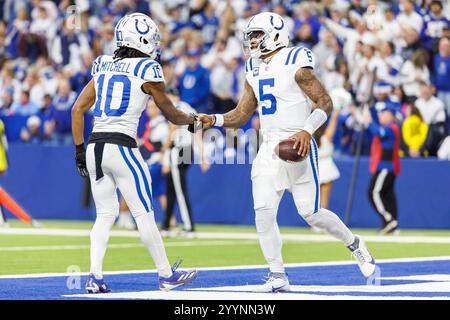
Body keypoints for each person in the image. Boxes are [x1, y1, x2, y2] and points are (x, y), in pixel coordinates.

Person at [198, 12, 376, 293]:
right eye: (251, 36)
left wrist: (306, 130)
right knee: (263, 212)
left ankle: (355, 245)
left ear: (275, 34)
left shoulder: (296, 60)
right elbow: (243, 113)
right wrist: (215, 120)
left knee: (311, 213)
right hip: (269, 146)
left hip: (297, 143)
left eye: (257, 35)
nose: (253, 41)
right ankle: (277, 274)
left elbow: (324, 102)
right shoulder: (252, 68)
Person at [71, 13, 198, 293]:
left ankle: (95, 277)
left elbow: (77, 109)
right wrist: (194, 120)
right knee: (143, 213)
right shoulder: (148, 69)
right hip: (123, 146)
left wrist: (79, 151)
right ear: (142, 41)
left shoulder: (103, 65)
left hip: (94, 146)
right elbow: (171, 114)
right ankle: (166, 274)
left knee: (105, 214)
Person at [362, 103, 401, 235]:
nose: (380, 115)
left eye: (383, 113)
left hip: (386, 167)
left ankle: (388, 220)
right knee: (388, 195)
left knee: (374, 193)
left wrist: (369, 122)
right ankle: (392, 223)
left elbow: (378, 132)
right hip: (387, 167)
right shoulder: (388, 127)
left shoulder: (392, 128)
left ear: (391, 115)